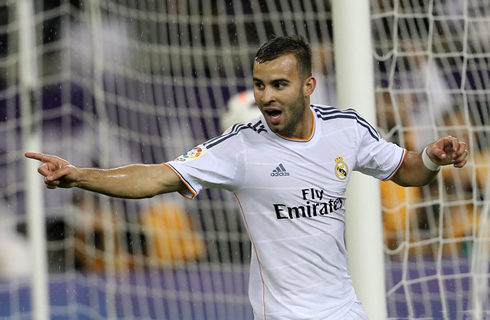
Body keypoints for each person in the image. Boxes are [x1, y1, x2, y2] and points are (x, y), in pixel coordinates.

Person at [25, 35, 468, 320]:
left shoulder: (347, 129)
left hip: (344, 311)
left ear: (308, 86)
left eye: (279, 85)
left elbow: (406, 171)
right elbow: (157, 177)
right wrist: (81, 176)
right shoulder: (239, 147)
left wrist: (430, 156)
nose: (266, 97)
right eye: (259, 85)